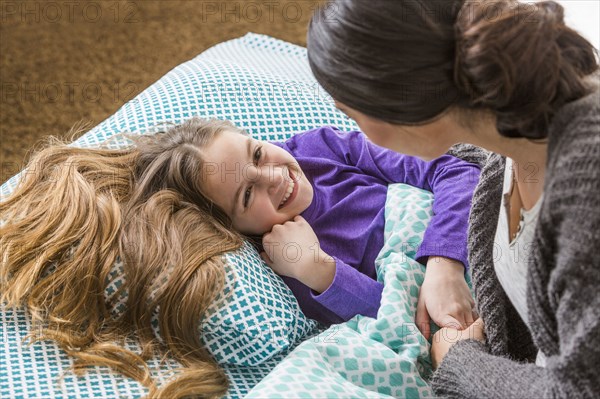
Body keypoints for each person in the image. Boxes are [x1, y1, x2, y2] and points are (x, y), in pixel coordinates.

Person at [0, 118, 479, 398]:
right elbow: (394, 320)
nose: (274, 176)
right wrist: (319, 270)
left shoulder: (320, 148)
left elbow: (453, 167)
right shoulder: (282, 261)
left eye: (256, 153)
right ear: (232, 228)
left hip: (465, 243)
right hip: (455, 314)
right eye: (248, 194)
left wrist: (443, 262)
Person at [307, 0, 599, 397]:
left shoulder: (584, 195)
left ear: (392, 99)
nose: (357, 133)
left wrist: (460, 362)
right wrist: (443, 262)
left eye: (350, 114)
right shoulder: (508, 135)